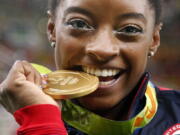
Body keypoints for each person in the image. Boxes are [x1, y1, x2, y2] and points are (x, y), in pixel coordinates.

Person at [0, 0, 180, 135]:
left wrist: (40, 123)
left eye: (130, 29)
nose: (102, 49)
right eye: (79, 24)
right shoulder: (21, 121)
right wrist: (39, 116)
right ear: (52, 30)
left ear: (154, 40)